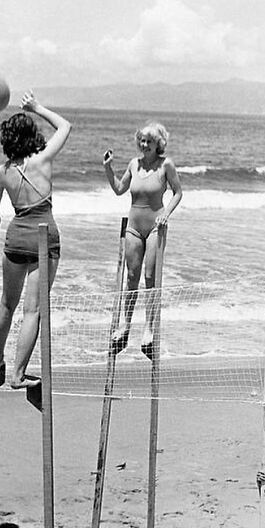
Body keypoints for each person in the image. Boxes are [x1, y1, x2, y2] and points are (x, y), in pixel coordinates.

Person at [0, 91, 71, 389]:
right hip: (44, 238)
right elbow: (65, 126)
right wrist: (36, 107)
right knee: (32, 310)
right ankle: (18, 375)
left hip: (16, 236)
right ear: (32, 135)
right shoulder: (44, 158)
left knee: (7, 304)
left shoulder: (1, 173)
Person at [102, 123, 182, 358]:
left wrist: (166, 213)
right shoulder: (133, 164)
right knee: (132, 278)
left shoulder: (166, 165)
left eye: (149, 141)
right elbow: (118, 189)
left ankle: (148, 329)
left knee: (150, 277)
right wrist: (108, 168)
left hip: (156, 226)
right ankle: (125, 326)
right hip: (134, 228)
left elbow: (178, 192)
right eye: (142, 141)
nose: (144, 145)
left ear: (159, 143)